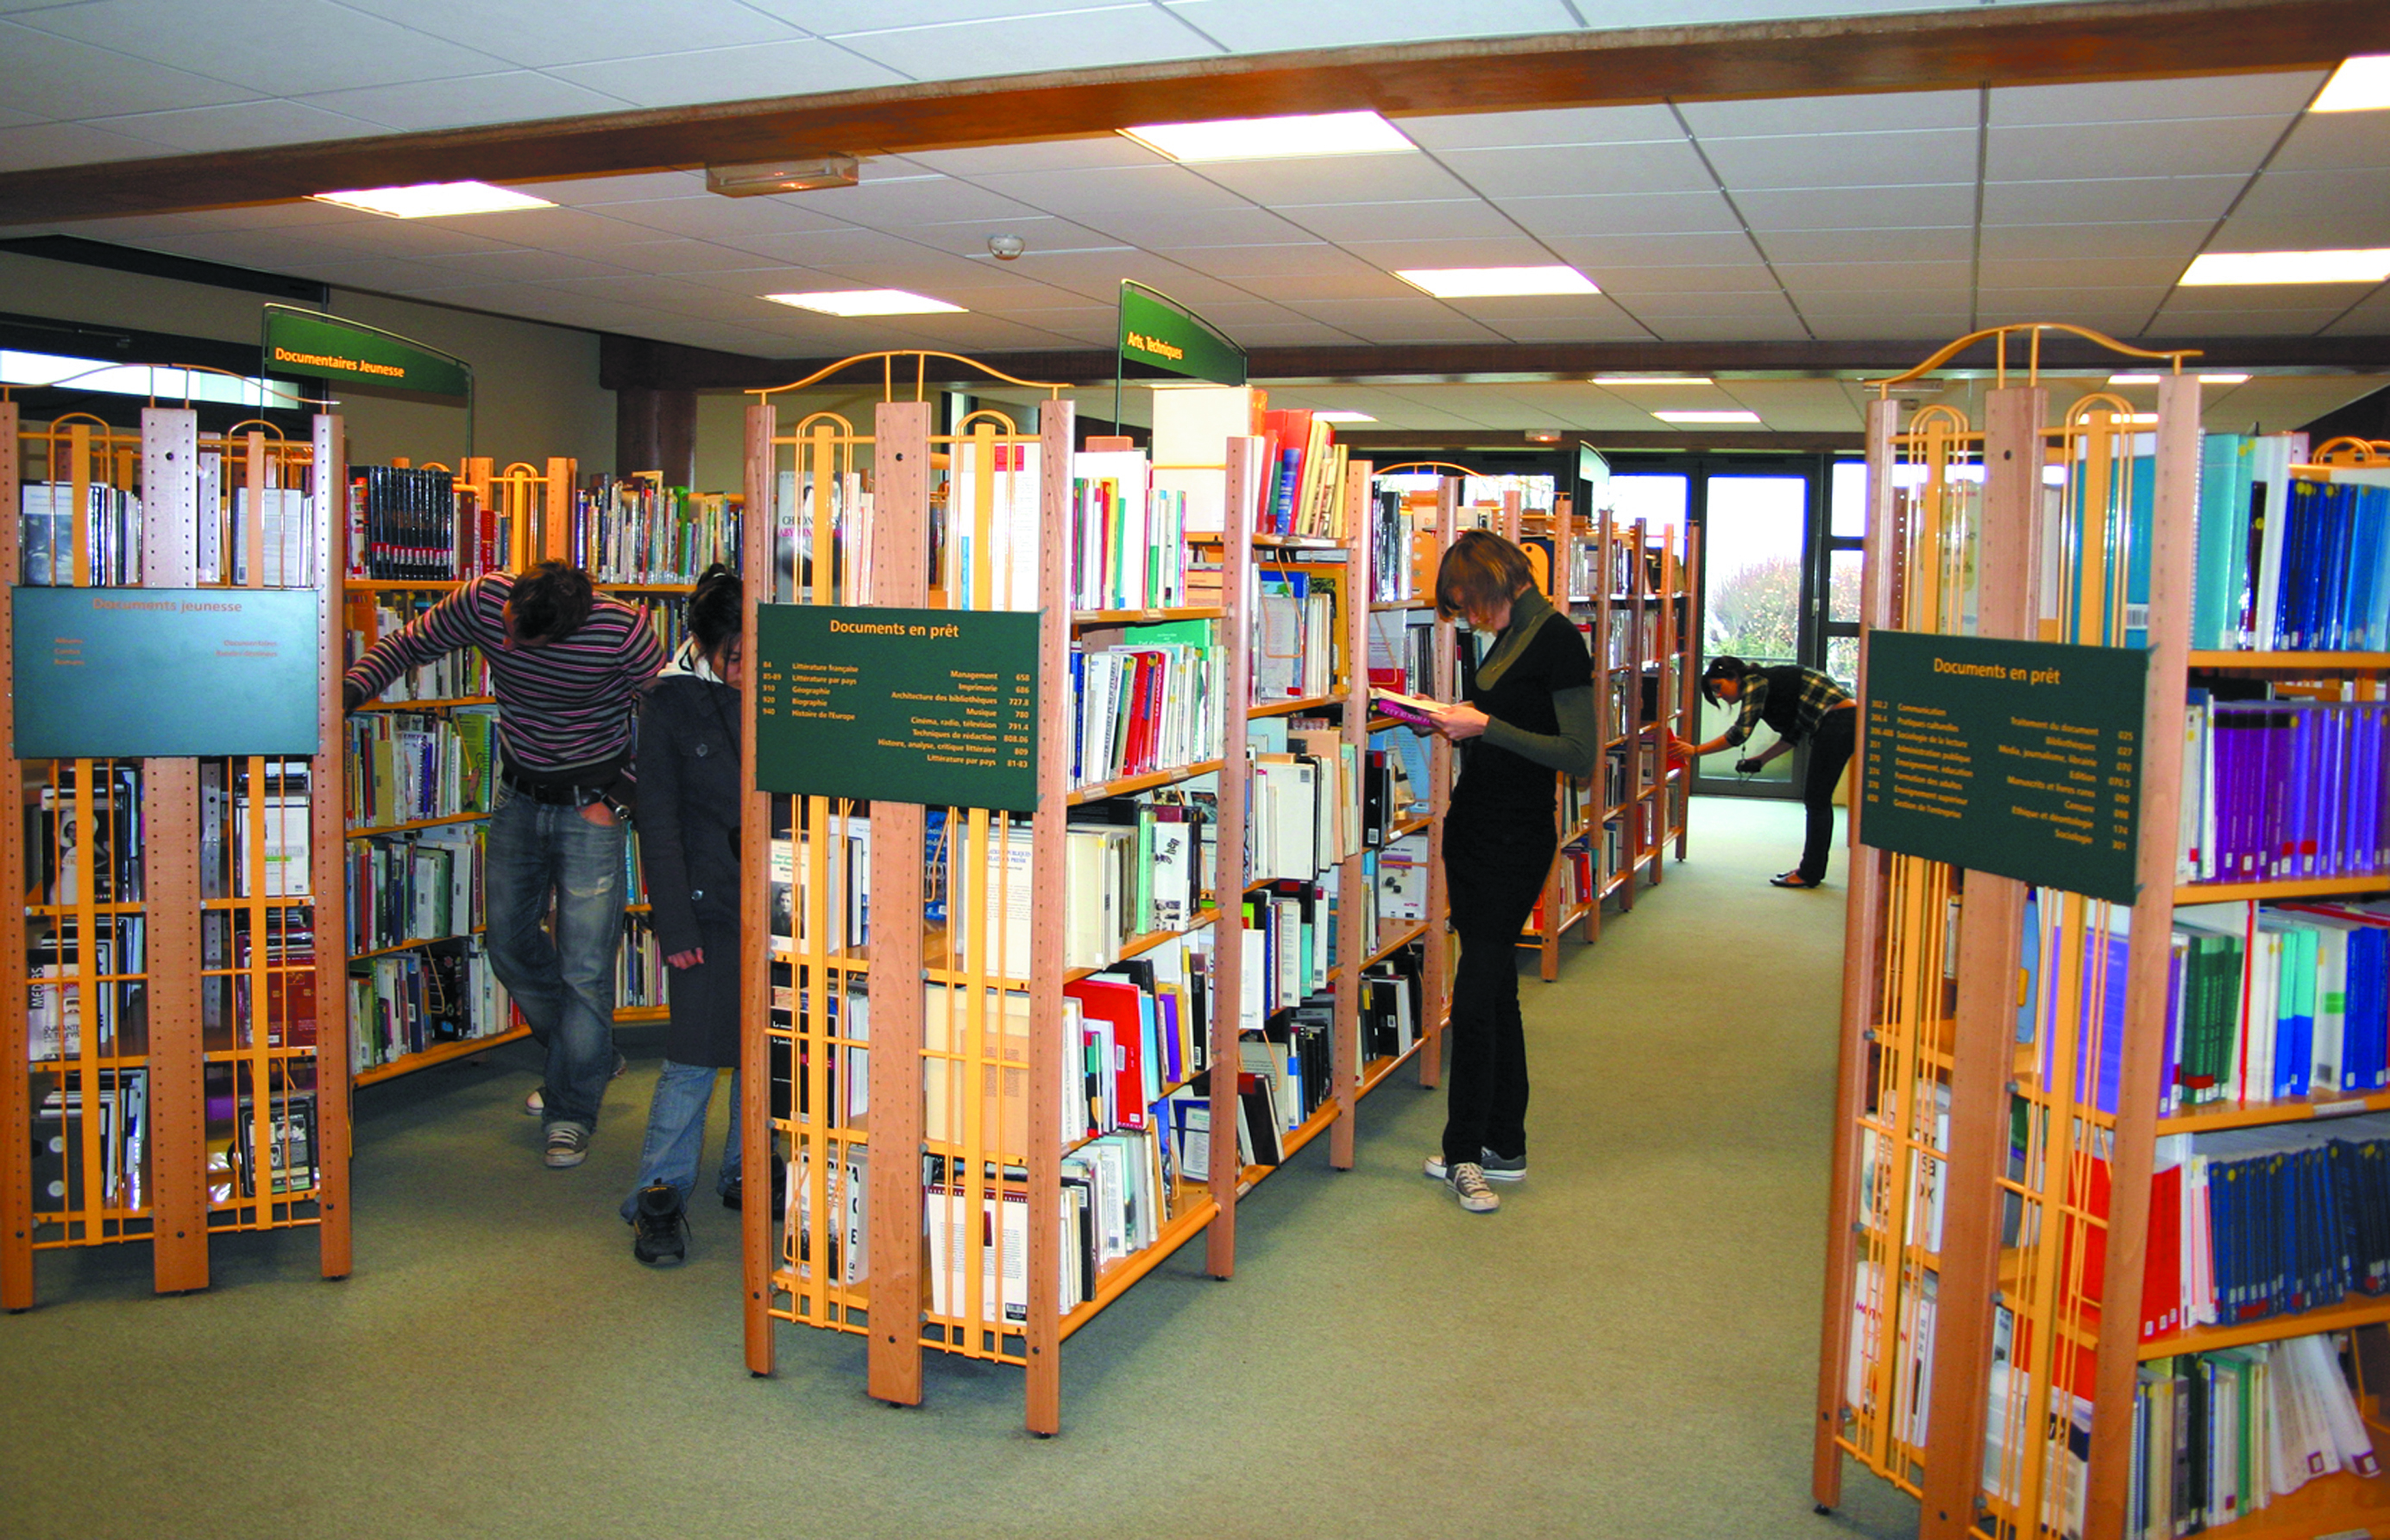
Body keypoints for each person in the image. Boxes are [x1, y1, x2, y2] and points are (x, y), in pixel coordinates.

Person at [343, 560, 665, 1169]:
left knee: (585, 969)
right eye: (509, 629)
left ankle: (571, 1109)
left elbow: (669, 715)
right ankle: (586, 1055)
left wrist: (620, 794)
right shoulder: (488, 597)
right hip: (517, 797)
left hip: (589, 806)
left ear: (568, 630)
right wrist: (349, 691)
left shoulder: (622, 631)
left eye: (526, 640)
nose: (508, 643)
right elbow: (409, 643)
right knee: (508, 945)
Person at [1409, 531, 1597, 1215]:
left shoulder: (1557, 639)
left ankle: (1463, 1153)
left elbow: (1578, 753)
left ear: (1492, 580)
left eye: (1468, 602)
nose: (1468, 616)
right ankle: (1505, 1144)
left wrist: (1485, 725)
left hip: (1514, 839)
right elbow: (1501, 719)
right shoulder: (1512, 631)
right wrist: (1451, 721)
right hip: (1476, 826)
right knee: (1497, 993)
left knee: (1479, 992)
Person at [620, 566, 746, 1266]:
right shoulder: (667, 705)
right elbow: (657, 823)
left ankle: (745, 1171)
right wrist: (674, 926)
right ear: (701, 644)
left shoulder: (796, 690)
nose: (745, 668)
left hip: (780, 902)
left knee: (768, 1050)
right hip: (704, 906)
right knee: (694, 1058)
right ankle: (657, 1196)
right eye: (732, 653)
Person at [1673, 656, 1858, 890]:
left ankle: (1810, 872)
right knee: (1817, 800)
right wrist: (1761, 760)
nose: (1719, 695)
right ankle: (1811, 870)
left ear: (1734, 677)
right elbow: (1793, 735)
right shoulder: (1766, 685)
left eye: (1719, 687)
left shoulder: (1755, 683)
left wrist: (1696, 751)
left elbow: (1740, 733)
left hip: (1839, 721)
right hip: (1843, 720)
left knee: (1816, 801)